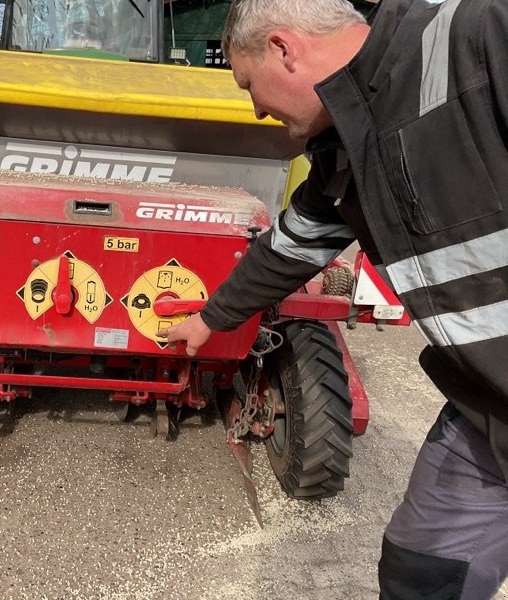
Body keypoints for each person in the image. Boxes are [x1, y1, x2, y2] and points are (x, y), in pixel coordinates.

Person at [157, 0, 508, 597]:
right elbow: (288, 250)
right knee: (418, 572)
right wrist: (208, 319)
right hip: (489, 411)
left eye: (249, 85)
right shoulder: (343, 155)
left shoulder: (477, 38)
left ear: (282, 49)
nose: (257, 109)